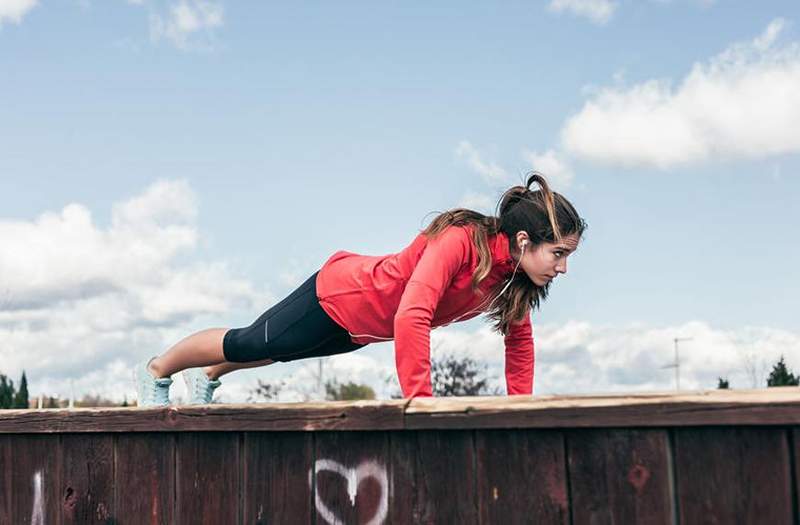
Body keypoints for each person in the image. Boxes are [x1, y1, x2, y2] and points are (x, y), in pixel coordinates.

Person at [134, 173, 586, 406]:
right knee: (251, 340)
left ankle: (207, 374)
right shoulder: (462, 241)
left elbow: (520, 344)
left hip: (361, 331)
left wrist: (518, 409)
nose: (563, 268)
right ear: (526, 240)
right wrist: (419, 402)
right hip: (340, 295)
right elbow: (414, 313)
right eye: (559, 254)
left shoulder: (511, 280)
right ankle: (157, 370)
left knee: (279, 351)